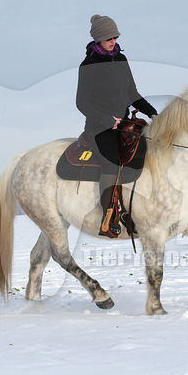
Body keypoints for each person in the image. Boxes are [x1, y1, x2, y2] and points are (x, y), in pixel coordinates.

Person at [76, 14, 157, 237]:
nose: (113, 41)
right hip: (99, 128)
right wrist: (105, 120)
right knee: (114, 160)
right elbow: (81, 102)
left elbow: (132, 93)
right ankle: (109, 215)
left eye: (115, 36)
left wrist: (152, 113)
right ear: (97, 39)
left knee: (146, 153)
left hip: (124, 125)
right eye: (108, 38)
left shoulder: (121, 60)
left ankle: (137, 210)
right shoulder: (88, 65)